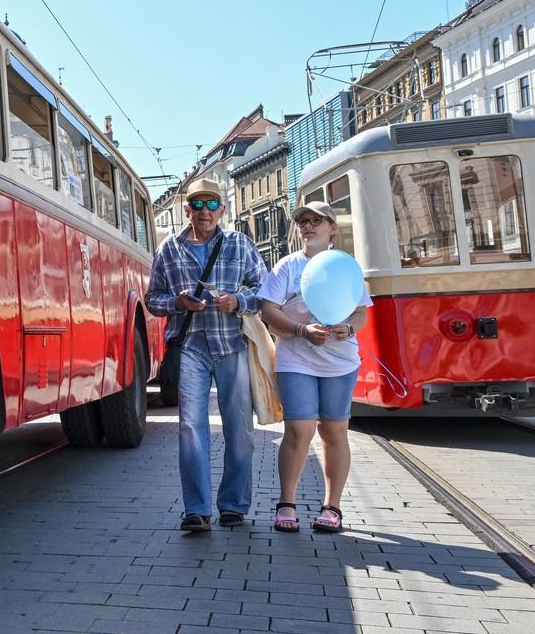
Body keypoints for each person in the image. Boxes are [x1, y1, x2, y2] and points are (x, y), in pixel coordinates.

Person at [147, 178, 266, 532]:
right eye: (197, 205)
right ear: (187, 209)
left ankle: (233, 505)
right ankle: (195, 510)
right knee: (190, 428)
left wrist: (239, 301)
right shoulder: (169, 248)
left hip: (231, 344)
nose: (205, 212)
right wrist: (177, 303)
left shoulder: (239, 245)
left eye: (212, 205)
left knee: (240, 428)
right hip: (191, 348)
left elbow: (266, 290)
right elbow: (152, 300)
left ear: (222, 209)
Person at [259, 202, 372, 534]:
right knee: (300, 429)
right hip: (296, 359)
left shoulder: (344, 266)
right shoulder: (286, 267)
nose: (308, 226)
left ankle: (332, 507)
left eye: (316, 221)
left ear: (332, 228)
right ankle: (287, 503)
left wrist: (348, 329)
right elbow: (267, 309)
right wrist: (300, 330)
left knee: (334, 431)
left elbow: (361, 312)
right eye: (303, 222)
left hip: (339, 361)